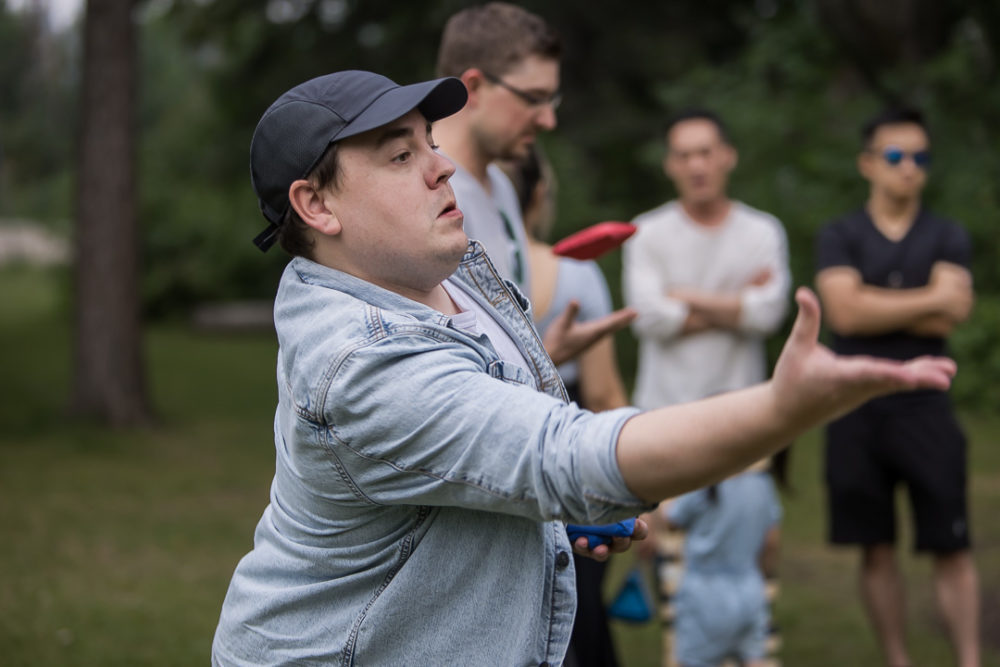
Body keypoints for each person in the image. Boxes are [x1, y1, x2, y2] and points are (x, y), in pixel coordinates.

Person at [212, 69, 957, 666]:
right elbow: (562, 455)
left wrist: (545, 529)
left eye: (429, 141)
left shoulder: (437, 269)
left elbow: (469, 451)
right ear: (316, 204)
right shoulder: (364, 361)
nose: (442, 167)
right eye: (400, 156)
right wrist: (784, 408)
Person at [623, 108, 791, 666]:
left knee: (756, 571)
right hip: (667, 425)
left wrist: (685, 296)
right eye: (684, 154)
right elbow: (648, 318)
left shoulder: (762, 230)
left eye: (706, 151)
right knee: (680, 580)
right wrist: (733, 303)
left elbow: (768, 315)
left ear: (727, 156)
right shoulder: (647, 232)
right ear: (671, 165)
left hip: (746, 426)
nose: (697, 164)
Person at [814, 107, 979, 667]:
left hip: (928, 407)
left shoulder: (948, 233)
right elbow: (844, 312)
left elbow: (949, 316)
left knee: (952, 545)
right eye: (895, 156)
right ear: (868, 164)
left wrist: (874, 304)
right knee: (875, 546)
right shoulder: (840, 233)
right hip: (854, 406)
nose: (908, 167)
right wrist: (925, 298)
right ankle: (896, 659)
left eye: (920, 157)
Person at [433, 2, 636, 368]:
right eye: (534, 98)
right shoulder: (426, 193)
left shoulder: (501, 185)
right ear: (474, 88)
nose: (548, 120)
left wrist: (545, 355)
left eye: (552, 99)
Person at [501, 146, 629, 667]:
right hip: (568, 442)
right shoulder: (574, 273)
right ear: (536, 195)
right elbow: (602, 393)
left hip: (494, 437)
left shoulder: (441, 279)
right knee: (577, 609)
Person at [662, 471, 782, 667]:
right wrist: (763, 576)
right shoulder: (762, 484)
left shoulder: (701, 484)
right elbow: (771, 542)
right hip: (750, 586)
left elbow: (672, 521)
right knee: (755, 658)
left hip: (705, 592)